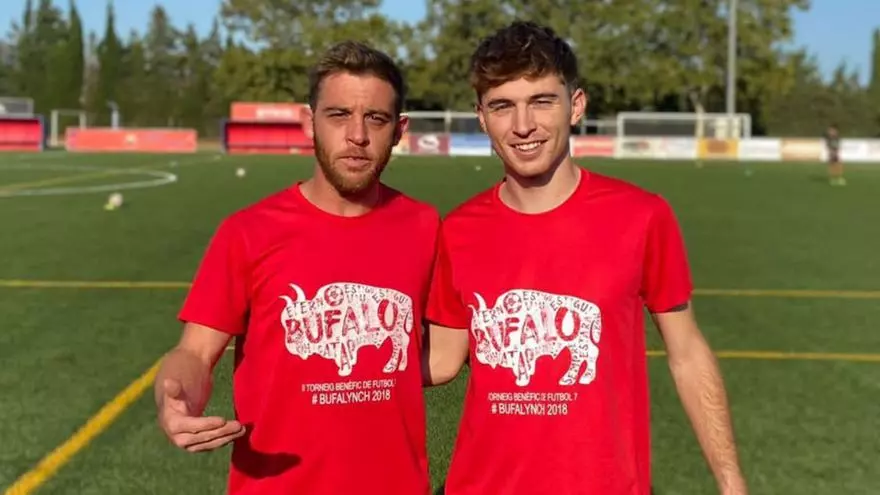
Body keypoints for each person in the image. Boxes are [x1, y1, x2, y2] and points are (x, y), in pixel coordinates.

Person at [423, 21, 747, 495]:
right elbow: (443, 358)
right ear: (482, 117)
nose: (523, 125)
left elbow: (687, 354)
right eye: (502, 106)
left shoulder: (642, 217)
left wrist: (732, 482)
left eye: (541, 101)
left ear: (576, 106)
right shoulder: (456, 231)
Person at [154, 41, 437, 495]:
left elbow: (446, 346)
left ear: (399, 129)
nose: (357, 135)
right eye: (338, 115)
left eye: (376, 118)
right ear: (310, 122)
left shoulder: (424, 226)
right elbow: (194, 354)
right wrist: (177, 396)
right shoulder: (248, 232)